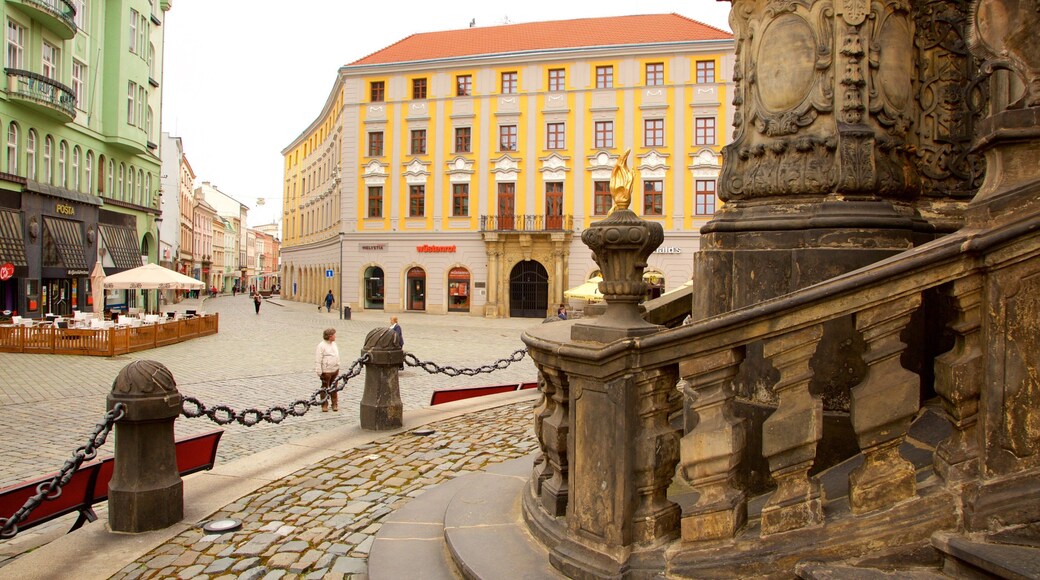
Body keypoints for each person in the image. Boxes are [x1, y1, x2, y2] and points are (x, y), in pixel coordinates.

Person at [315, 328, 340, 412]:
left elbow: (336, 355)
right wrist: (319, 370)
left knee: (334, 387)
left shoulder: (334, 344)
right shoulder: (321, 346)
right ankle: (324, 404)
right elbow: (318, 359)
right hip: (326, 370)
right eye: (334, 335)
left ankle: (334, 403)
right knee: (325, 388)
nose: (335, 336)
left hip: (335, 369)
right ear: (330, 336)